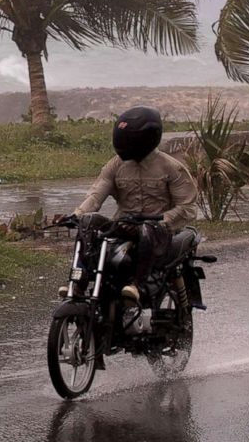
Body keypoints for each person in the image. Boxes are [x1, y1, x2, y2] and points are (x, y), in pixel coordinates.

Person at [70, 106, 196, 307]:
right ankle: (79, 280)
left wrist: (163, 219)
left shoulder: (171, 167)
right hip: (123, 226)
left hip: (158, 231)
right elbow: (96, 194)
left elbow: (188, 208)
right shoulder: (115, 165)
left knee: (147, 228)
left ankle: (137, 286)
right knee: (88, 221)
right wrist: (77, 214)